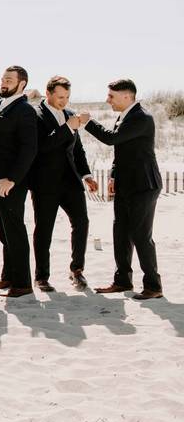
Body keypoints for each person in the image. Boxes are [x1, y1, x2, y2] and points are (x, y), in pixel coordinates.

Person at [82, 79, 163, 300]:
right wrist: (114, 176)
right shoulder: (125, 116)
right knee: (120, 234)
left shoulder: (142, 118)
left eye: (111, 96)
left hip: (144, 185)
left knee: (140, 236)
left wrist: (88, 122)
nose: (108, 100)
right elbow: (122, 150)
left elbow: (112, 139)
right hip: (126, 185)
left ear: (127, 96)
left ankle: (153, 286)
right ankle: (123, 282)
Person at [30, 76, 98, 291]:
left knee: (82, 223)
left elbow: (77, 150)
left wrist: (86, 175)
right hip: (45, 183)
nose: (64, 101)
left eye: (67, 97)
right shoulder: (34, 115)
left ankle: (77, 270)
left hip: (71, 181)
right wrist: (68, 128)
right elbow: (41, 147)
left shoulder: (70, 115)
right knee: (44, 229)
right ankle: (42, 276)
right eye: (60, 97)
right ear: (48, 93)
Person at [0, 62, 38, 298]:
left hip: (10, 182)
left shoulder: (24, 110)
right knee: (4, 233)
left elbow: (29, 148)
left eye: (9, 80)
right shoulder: (5, 104)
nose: (4, 83)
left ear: (22, 84)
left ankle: (23, 284)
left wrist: (12, 179)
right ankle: (8, 277)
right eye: (3, 80)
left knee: (14, 231)